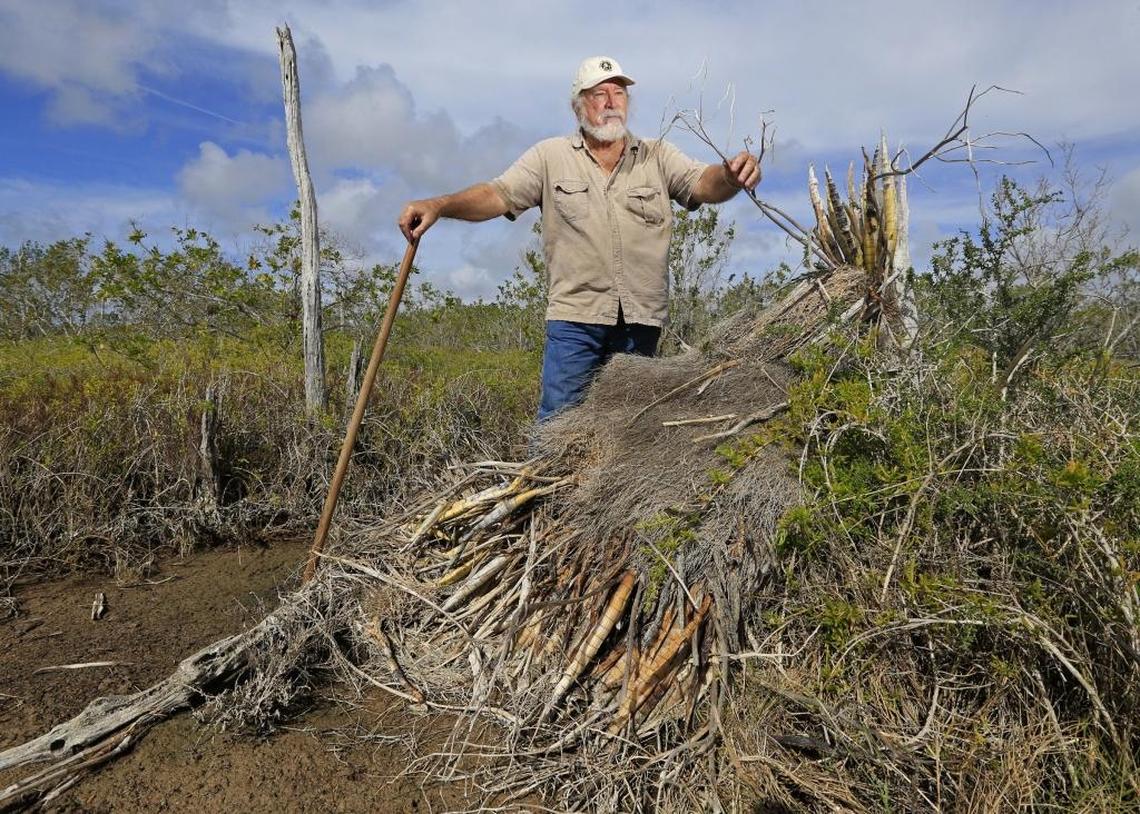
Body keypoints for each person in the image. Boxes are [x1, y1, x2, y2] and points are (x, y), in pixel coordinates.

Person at [398, 56, 760, 420]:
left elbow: (702, 183)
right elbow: (497, 195)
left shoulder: (657, 155)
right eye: (598, 94)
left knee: (629, 428)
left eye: (619, 93)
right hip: (576, 321)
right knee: (559, 424)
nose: (610, 102)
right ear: (578, 106)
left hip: (641, 321)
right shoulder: (549, 156)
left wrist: (730, 176)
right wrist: (439, 205)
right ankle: (542, 480)